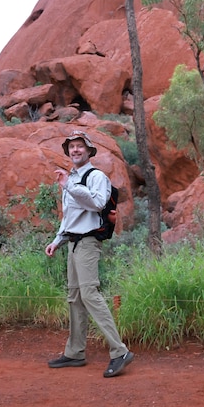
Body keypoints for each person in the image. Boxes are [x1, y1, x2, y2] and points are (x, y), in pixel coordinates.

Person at [45, 131, 134, 378]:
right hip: (73, 243)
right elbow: (70, 216)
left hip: (88, 243)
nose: (75, 150)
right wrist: (57, 241)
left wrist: (70, 185)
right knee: (74, 297)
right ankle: (75, 352)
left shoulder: (96, 177)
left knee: (89, 294)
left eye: (80, 146)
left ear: (89, 151)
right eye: (72, 147)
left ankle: (120, 351)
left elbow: (98, 203)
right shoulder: (71, 178)